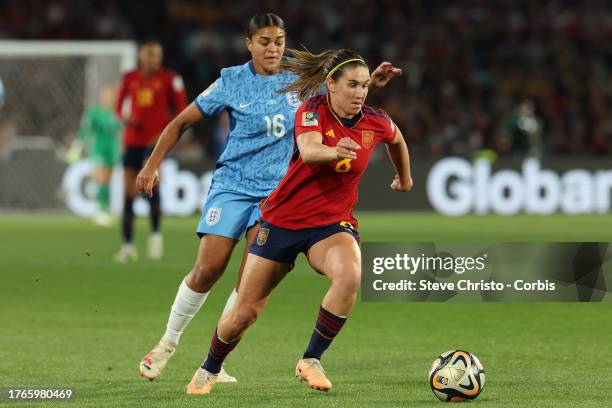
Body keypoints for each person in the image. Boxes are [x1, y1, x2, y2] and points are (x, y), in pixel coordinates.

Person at [135, 14, 402, 383]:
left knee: (248, 289)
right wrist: (152, 164)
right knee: (209, 268)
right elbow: (181, 121)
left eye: (279, 40)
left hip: (277, 197)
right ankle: (168, 342)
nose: (273, 48)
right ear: (249, 44)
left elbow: (346, 98)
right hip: (233, 185)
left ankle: (214, 363)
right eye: (264, 41)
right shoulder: (231, 81)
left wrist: (372, 82)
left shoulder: (299, 82)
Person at [185, 48, 413, 395]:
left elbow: (396, 139)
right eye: (352, 85)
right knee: (245, 312)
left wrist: (404, 178)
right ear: (329, 85)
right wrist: (333, 151)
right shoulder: (311, 110)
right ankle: (210, 367)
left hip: (330, 224)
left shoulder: (374, 120)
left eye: (365, 86)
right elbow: (309, 150)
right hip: (281, 221)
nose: (360, 93)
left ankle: (311, 358)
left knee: (350, 274)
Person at [114, 40, 188, 262]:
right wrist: (124, 117)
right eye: (150, 55)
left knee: (151, 189)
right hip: (132, 141)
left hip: (155, 144)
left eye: (157, 55)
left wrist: (166, 133)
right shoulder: (130, 78)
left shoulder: (169, 79)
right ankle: (127, 246)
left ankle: (155, 236)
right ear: (141, 57)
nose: (153, 59)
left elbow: (182, 110)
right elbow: (119, 107)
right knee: (128, 193)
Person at [69, 85, 122, 226]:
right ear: (101, 97)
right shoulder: (94, 113)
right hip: (98, 149)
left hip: (112, 150)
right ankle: (101, 210)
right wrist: (77, 146)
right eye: (105, 95)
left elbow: (122, 131)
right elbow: (86, 131)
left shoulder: (117, 113)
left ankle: (106, 210)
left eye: (110, 95)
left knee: (107, 182)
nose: (108, 98)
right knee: (101, 179)